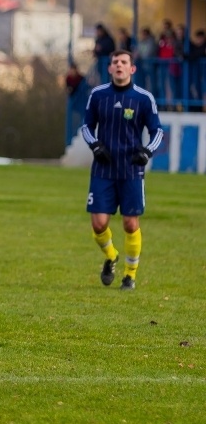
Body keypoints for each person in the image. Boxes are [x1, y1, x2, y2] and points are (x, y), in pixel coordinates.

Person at [80, 50, 164, 291]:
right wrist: (95, 145)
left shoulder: (143, 98)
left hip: (131, 170)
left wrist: (146, 152)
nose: (119, 65)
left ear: (132, 69)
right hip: (103, 169)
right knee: (98, 224)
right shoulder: (98, 95)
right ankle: (111, 256)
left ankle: (130, 274)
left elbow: (157, 131)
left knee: (130, 224)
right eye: (115, 62)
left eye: (124, 62)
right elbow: (86, 126)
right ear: (109, 69)